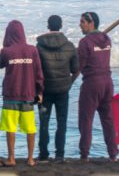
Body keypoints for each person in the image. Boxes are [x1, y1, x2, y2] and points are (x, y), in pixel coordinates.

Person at [0, 20, 44, 167]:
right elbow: (38, 72)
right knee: (30, 127)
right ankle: (30, 158)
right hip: (28, 93)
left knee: (10, 127)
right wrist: (40, 91)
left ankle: (11, 157)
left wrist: (5, 47)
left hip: (11, 93)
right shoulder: (32, 50)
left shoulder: (7, 51)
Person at [36, 15, 79, 163]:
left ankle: (43, 155)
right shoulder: (69, 46)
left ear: (48, 25)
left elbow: (37, 71)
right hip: (63, 91)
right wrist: (69, 83)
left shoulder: (39, 46)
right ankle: (60, 154)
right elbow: (76, 70)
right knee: (62, 122)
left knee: (44, 122)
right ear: (61, 26)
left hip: (45, 91)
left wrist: (37, 89)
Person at [78, 12, 118, 162]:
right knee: (108, 119)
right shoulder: (107, 39)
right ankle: (113, 155)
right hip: (108, 83)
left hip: (92, 83)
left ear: (91, 23)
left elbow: (79, 64)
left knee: (86, 119)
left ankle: (84, 155)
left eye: (82, 22)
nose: (80, 24)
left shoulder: (84, 42)